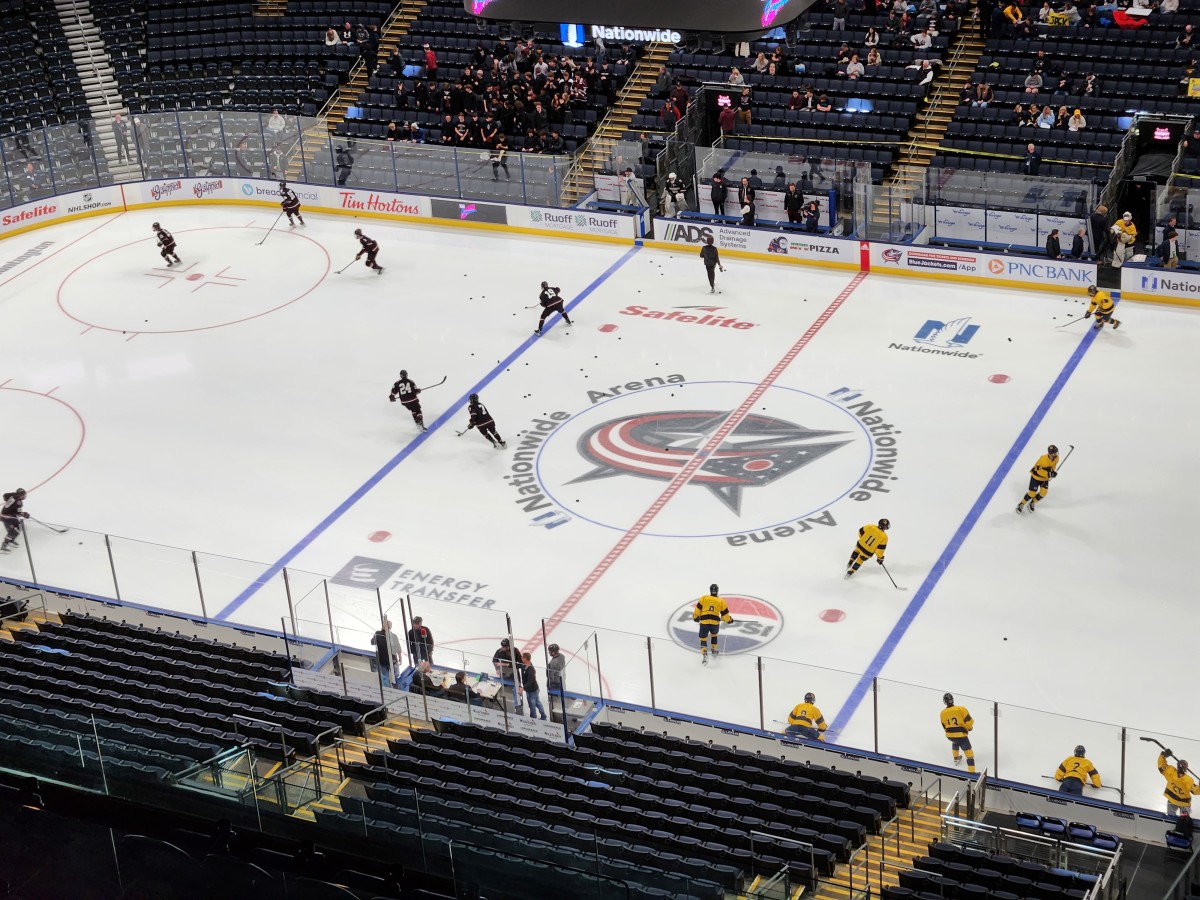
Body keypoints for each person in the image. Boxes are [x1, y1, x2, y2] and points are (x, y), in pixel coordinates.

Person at [693, 584, 732, 665]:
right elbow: (725, 616)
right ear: (717, 591)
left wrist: (696, 617)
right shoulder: (721, 601)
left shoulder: (704, 598)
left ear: (710, 590)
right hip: (714, 623)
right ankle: (714, 650)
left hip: (704, 622)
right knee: (714, 635)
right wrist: (729, 620)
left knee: (703, 638)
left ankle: (704, 654)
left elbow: (697, 609)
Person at [1016, 444, 1059, 513]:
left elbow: (1053, 467)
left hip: (1044, 479)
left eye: (1057, 452)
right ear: (1050, 453)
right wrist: (1049, 474)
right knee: (1032, 493)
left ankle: (1032, 503)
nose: (1056, 454)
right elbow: (1038, 470)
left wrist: (1053, 472)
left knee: (1043, 493)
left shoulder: (1056, 458)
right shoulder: (1043, 460)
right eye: (1055, 453)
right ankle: (1021, 504)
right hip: (1036, 477)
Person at [941, 693, 977, 773]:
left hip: (949, 735)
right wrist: (969, 728)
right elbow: (970, 721)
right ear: (952, 699)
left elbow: (944, 726)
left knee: (955, 741)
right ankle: (971, 772)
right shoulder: (961, 709)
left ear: (944, 701)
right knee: (969, 753)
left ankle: (956, 758)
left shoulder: (942, 713)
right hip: (961, 735)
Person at [1159, 751, 1200, 816]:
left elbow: (1161, 767)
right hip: (1182, 803)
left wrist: (1163, 756)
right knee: (1182, 820)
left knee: (1173, 818)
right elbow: (1195, 791)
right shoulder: (1187, 779)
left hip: (1174, 800)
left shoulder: (1171, 772)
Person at [371, 618, 403, 688]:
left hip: (389, 660)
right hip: (388, 660)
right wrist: (400, 659)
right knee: (392, 677)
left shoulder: (380, 634)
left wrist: (400, 658)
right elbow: (373, 642)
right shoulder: (380, 634)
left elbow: (398, 649)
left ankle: (390, 689)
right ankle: (393, 689)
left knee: (390, 677)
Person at [0, 489, 29, 553]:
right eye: (24, 495)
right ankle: (3, 547)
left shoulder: (13, 496)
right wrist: (24, 514)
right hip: (6, 517)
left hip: (10, 516)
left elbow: (15, 511)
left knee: (19, 527)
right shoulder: (18, 502)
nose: (24, 496)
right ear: (20, 495)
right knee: (12, 531)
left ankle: (10, 540)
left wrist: (23, 514)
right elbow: (18, 513)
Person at [520, 652, 547, 720]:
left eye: (522, 657)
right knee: (537, 703)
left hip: (533, 690)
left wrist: (523, 688)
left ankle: (533, 719)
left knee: (532, 704)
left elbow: (530, 682)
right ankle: (543, 715)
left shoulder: (531, 670)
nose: (521, 658)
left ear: (525, 659)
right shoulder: (524, 666)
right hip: (529, 689)